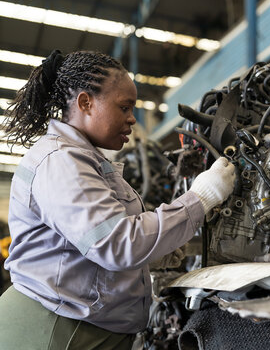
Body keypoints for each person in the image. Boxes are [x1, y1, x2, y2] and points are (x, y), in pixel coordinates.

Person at [0, 50, 236, 349]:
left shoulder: (86, 161)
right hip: (56, 332)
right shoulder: (60, 161)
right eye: (124, 107)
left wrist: (158, 252)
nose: (132, 119)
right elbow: (116, 243)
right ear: (86, 102)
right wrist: (202, 198)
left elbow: (90, 241)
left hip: (83, 327)